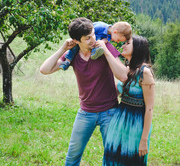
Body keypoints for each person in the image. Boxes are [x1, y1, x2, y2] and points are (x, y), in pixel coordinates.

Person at [40, 17, 129, 166]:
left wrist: (106, 51)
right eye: (87, 38)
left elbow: (124, 76)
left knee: (113, 158)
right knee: (72, 157)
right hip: (86, 112)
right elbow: (44, 70)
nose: (93, 39)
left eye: (93, 34)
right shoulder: (72, 55)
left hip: (110, 111)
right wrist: (63, 49)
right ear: (76, 41)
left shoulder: (104, 48)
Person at [96, 35, 155, 166]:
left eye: (127, 43)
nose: (123, 45)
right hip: (118, 122)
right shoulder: (128, 69)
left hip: (135, 125)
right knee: (112, 158)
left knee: (131, 160)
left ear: (138, 48)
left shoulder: (145, 72)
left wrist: (144, 140)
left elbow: (150, 108)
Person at [59, 21, 132, 70]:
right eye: (118, 39)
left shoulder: (109, 36)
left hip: (91, 46)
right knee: (74, 48)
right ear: (115, 32)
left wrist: (103, 42)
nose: (117, 41)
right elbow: (87, 30)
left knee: (99, 46)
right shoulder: (100, 26)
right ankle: (67, 61)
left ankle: (94, 53)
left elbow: (104, 41)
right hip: (82, 40)